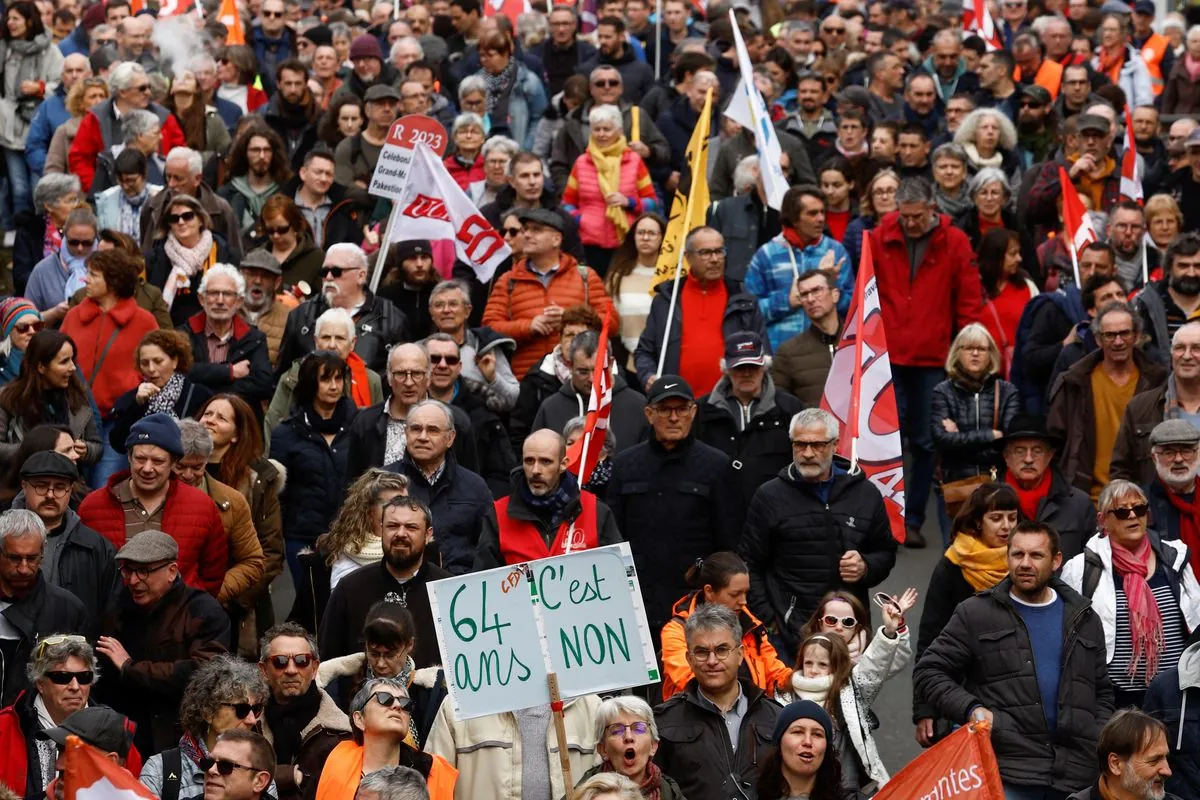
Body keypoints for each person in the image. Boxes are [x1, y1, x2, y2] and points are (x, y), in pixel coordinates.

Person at [914, 520, 1113, 799]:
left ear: (1056, 561)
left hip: (1076, 775)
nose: (1025, 563)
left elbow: (1101, 690)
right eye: (1017, 554)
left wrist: (1097, 735)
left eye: (1036, 555)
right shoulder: (976, 613)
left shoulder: (1084, 618)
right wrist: (972, 709)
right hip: (1006, 769)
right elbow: (929, 671)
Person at [868, 177, 984, 546]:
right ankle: (880, 518)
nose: (911, 224)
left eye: (917, 217)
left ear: (933, 208)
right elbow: (866, 291)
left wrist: (967, 350)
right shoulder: (879, 237)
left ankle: (912, 519)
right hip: (886, 353)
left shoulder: (955, 242)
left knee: (924, 441)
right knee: (882, 439)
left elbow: (967, 299)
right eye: (905, 217)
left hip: (932, 357)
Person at [740, 408, 897, 660]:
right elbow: (750, 564)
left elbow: (886, 552)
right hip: (788, 636)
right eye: (800, 445)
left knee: (848, 700)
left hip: (847, 635)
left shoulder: (865, 494)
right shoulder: (769, 496)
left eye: (817, 445)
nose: (808, 453)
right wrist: (770, 623)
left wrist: (865, 567)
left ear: (835, 445)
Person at [605, 374, 738, 634]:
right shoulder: (625, 465)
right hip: (638, 599)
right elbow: (613, 538)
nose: (674, 417)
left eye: (681, 409)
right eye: (665, 409)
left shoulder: (717, 465)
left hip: (695, 602)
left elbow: (728, 542)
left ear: (693, 411)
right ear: (649, 413)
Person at [1060, 480, 1200, 708]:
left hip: (1176, 695)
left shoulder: (1174, 557)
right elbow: (1067, 633)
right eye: (1122, 511)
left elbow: (1196, 619)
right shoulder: (1081, 568)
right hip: (1115, 699)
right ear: (1102, 520)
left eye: (1140, 509)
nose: (1133, 516)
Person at [93, 530, 230, 756]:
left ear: (172, 571)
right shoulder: (118, 610)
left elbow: (203, 674)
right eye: (128, 570)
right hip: (123, 738)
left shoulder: (202, 611)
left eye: (144, 571)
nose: (133, 580)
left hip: (178, 739)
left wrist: (130, 668)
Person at [78, 412, 228, 596]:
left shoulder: (201, 506)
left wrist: (191, 612)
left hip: (180, 620)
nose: (147, 469)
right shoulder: (94, 507)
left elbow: (213, 572)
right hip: (112, 620)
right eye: (140, 459)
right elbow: (82, 571)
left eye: (158, 461)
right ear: (129, 458)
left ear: (173, 462)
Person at [913, 483, 1017, 746]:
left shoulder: (1025, 564)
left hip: (1015, 696)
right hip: (961, 696)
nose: (1006, 526)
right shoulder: (952, 565)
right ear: (978, 522)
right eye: (996, 518)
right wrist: (924, 710)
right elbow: (930, 639)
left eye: (1012, 518)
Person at [653, 603, 782, 800]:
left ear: (740, 654)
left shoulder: (775, 717)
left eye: (722, 650)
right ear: (689, 658)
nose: (712, 661)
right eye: (702, 652)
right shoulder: (664, 721)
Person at [1048, 301, 1167, 500]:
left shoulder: (1158, 382)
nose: (1118, 341)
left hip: (1144, 500)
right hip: (1086, 499)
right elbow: (1054, 444)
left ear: (1136, 336)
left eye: (1125, 333)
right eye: (1110, 335)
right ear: (1097, 339)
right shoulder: (1074, 382)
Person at [61, 246, 160, 483]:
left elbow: (158, 365)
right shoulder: (74, 316)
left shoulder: (143, 321)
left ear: (113, 282)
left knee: (103, 485)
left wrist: (134, 394)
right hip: (73, 416)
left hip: (116, 421)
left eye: (94, 275)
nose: (86, 279)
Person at [319, 495, 448, 670]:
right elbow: (329, 659)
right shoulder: (350, 589)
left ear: (428, 535)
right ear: (381, 530)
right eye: (392, 526)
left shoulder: (448, 590)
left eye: (411, 527)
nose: (400, 534)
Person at [481, 208, 611, 379]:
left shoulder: (586, 277)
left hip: (579, 379)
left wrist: (570, 318)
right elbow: (489, 327)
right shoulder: (508, 280)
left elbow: (612, 322)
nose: (527, 235)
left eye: (536, 230)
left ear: (556, 239)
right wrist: (528, 327)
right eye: (525, 229)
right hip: (527, 380)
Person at [635, 227, 767, 395]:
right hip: (678, 405)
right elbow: (645, 351)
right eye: (705, 253)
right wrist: (649, 376)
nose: (714, 259)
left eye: (719, 251)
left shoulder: (744, 300)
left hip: (730, 403)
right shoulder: (667, 299)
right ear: (688, 257)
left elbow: (763, 353)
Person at [0, 635, 134, 799]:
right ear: (40, 684)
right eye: (62, 677)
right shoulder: (4, 728)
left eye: (84, 677)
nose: (75, 687)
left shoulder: (116, 734)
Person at [475, 428, 622, 569]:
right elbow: (485, 581)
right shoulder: (499, 515)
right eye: (529, 461)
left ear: (563, 464)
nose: (536, 470)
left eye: (546, 462)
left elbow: (618, 574)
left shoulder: (595, 511)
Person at [269, 351, 356, 586]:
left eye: (339, 379)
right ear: (310, 383)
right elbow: (278, 493)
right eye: (326, 379)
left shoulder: (359, 425)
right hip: (303, 535)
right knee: (311, 608)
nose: (334, 386)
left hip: (352, 536)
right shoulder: (286, 432)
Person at [661, 552, 793, 701]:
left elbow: (775, 674)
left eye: (745, 593)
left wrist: (802, 678)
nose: (743, 601)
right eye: (735, 594)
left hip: (751, 715)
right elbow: (686, 679)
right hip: (693, 717)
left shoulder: (751, 626)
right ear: (709, 592)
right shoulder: (676, 631)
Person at [931, 324, 1020, 539]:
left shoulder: (1007, 391)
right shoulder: (942, 392)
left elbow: (1008, 441)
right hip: (955, 484)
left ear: (991, 354)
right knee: (954, 552)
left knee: (995, 553)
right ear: (956, 352)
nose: (975, 353)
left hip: (995, 484)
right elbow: (941, 439)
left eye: (981, 348)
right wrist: (990, 435)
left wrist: (960, 437)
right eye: (968, 348)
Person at [138, 654, 268, 799]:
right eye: (241, 710)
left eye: (256, 710)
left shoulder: (258, 772)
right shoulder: (160, 770)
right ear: (208, 712)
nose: (251, 720)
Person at [173, 419, 266, 622]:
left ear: (207, 460)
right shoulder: (152, 497)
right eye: (180, 467)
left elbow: (252, 561)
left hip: (211, 613)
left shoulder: (231, 502)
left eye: (197, 467)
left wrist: (212, 594)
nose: (188, 475)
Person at [386, 399, 492, 576]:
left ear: (450, 438)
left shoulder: (475, 487)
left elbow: (489, 549)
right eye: (416, 429)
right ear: (406, 433)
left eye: (433, 430)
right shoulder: (386, 483)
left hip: (460, 587)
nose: (422, 437)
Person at [10, 451, 117, 624]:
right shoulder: (4, 538)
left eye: (59, 487)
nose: (50, 495)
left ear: (70, 489)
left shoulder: (96, 547)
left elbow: (112, 610)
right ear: (24, 486)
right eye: (41, 486)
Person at [743, 186, 853, 353]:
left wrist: (831, 285)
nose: (821, 218)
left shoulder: (836, 252)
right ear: (794, 219)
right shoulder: (766, 255)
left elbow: (853, 309)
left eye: (823, 212)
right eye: (812, 213)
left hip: (828, 353)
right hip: (780, 355)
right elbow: (749, 313)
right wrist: (786, 301)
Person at [275, 243, 406, 376]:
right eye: (324, 272)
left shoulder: (391, 318)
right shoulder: (301, 316)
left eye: (337, 271)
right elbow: (283, 374)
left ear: (361, 276)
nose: (329, 277)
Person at [0, 509, 87, 707]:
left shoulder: (67, 609)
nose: (23, 568)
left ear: (43, 553)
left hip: (33, 727)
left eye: (32, 559)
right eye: (14, 558)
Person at [317, 678, 457, 800]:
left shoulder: (431, 769)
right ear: (359, 719)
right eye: (384, 698)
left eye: (405, 703)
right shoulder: (334, 762)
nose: (397, 706)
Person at [559, 104, 658, 277]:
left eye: (607, 129)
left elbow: (652, 203)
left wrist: (629, 202)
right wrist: (581, 219)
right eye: (597, 129)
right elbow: (567, 203)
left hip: (625, 244)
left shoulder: (634, 161)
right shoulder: (582, 162)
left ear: (619, 131)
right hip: (589, 244)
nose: (602, 134)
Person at [265, 307, 384, 447]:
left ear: (352, 343)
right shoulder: (293, 377)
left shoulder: (371, 381)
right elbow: (272, 424)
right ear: (316, 341)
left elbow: (378, 431)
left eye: (340, 338)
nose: (332, 345)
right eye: (326, 337)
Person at [257, 623, 351, 800]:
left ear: (314, 668)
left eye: (301, 661)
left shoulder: (343, 734)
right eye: (280, 662)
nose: (291, 670)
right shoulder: (246, 724)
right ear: (263, 670)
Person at [69, 62, 185, 194]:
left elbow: (180, 155)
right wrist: (99, 192)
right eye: (142, 88)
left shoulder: (164, 117)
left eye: (149, 87)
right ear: (122, 92)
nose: (148, 92)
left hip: (159, 196)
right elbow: (79, 159)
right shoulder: (96, 118)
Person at [0, 0, 65, 219]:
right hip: (8, 125)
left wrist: (40, 88)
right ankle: (19, 230)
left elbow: (62, 82)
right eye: (8, 18)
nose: (10, 23)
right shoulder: (5, 48)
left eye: (15, 18)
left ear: (29, 21)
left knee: (38, 183)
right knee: (17, 185)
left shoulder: (50, 51)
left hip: (38, 124)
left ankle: (41, 231)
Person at [531, 330, 646, 452]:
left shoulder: (637, 405)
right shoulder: (551, 408)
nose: (592, 379)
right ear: (570, 366)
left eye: (598, 371)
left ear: (611, 363)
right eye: (583, 372)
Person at [1001, 414, 1096, 562]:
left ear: (1049, 456)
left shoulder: (1080, 505)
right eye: (1020, 451)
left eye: (1037, 451)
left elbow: (1094, 564)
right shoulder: (987, 505)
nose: (1028, 459)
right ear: (1006, 457)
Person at [0, 330, 101, 467]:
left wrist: (86, 450)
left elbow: (97, 446)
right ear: (41, 367)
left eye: (73, 360)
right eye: (64, 362)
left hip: (70, 482)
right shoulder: (8, 398)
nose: (72, 368)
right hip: (21, 481)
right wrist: (37, 450)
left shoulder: (77, 396)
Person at [110, 329, 211, 452]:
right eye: (145, 363)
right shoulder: (130, 399)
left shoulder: (199, 395)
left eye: (158, 361)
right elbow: (118, 444)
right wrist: (136, 405)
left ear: (175, 361)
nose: (151, 369)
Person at [145, 193, 236, 327]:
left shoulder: (223, 252)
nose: (181, 222)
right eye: (174, 218)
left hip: (212, 328)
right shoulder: (156, 256)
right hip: (169, 330)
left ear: (201, 220)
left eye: (187, 216)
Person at [140, 147, 242, 265]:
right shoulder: (153, 206)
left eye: (178, 178)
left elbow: (235, 255)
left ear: (197, 179)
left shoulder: (220, 209)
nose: (171, 184)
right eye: (168, 177)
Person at [571, 697, 686, 800]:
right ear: (603, 749)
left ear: (653, 746)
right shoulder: (581, 796)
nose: (628, 736)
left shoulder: (670, 793)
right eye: (616, 730)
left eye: (639, 728)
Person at [770, 271, 841, 407]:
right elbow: (778, 406)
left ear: (835, 295)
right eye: (804, 294)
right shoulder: (788, 352)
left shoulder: (860, 341)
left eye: (816, 291)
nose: (810, 299)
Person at [755, 700, 843, 800]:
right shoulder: (751, 796)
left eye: (817, 734)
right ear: (779, 743)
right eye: (798, 732)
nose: (808, 742)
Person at [24, 206, 99, 323]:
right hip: (54, 338)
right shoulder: (42, 270)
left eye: (87, 243)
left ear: (95, 239)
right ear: (64, 236)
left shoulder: (106, 267)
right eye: (73, 242)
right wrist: (53, 314)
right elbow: (25, 319)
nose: (80, 248)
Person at [12, 172, 81, 298]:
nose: (76, 205)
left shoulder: (83, 228)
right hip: (39, 298)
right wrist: (49, 289)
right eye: (70, 201)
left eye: (76, 199)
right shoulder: (30, 231)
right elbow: (21, 276)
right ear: (49, 206)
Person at [0, 298, 42, 388]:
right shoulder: (2, 364)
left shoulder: (56, 354)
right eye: (23, 327)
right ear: (9, 333)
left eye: (37, 326)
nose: (32, 331)